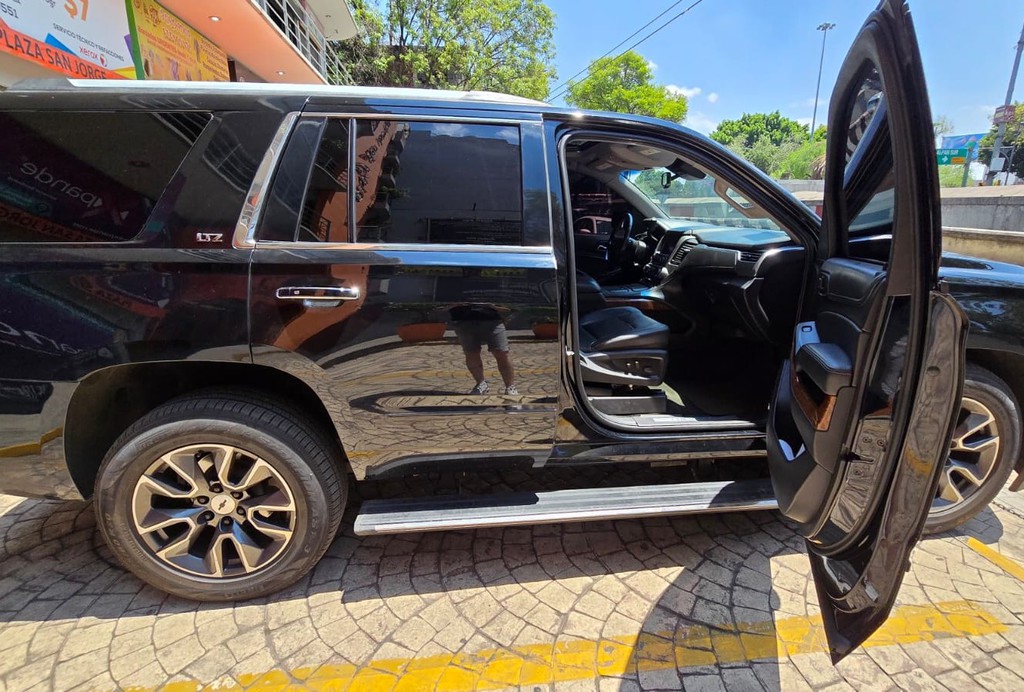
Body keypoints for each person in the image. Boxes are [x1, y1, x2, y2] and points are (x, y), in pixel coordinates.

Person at [449, 303, 517, 395]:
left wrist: (496, 307)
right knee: (471, 353)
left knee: (502, 352)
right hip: (463, 320)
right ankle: (481, 384)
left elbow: (507, 305)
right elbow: (444, 304)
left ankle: (510, 387)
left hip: (493, 320)